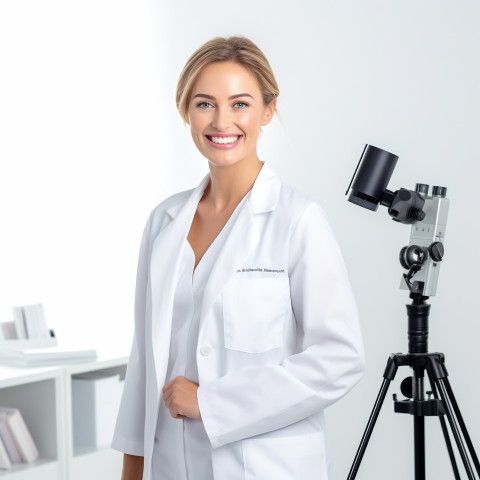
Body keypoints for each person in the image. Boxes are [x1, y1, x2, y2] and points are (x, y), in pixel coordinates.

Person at [112, 36, 365, 480]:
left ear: (267, 111)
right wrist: (133, 471)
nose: (221, 121)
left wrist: (210, 403)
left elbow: (340, 358)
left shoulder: (297, 220)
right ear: (186, 112)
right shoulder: (163, 222)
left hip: (265, 467)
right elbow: (145, 363)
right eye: (205, 104)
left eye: (240, 104)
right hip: (172, 464)